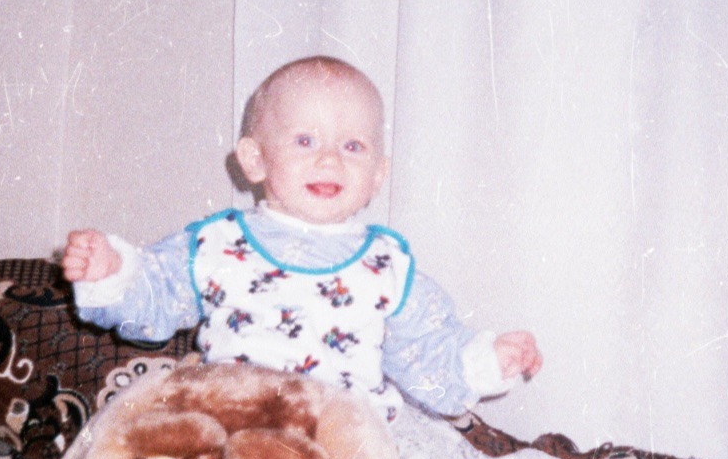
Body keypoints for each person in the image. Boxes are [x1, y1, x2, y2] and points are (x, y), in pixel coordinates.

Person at [64, 56, 542, 422]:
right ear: (254, 160)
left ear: (377, 174)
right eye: (305, 141)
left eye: (352, 146)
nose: (330, 160)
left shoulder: (386, 266)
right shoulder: (219, 243)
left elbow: (428, 352)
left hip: (339, 441)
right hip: (235, 424)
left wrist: (486, 361)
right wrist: (113, 270)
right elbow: (157, 295)